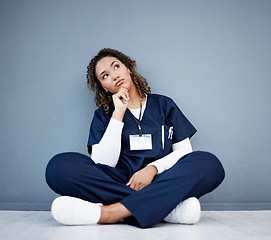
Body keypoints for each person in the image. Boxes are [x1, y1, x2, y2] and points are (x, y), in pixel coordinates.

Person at [45, 48, 225, 228]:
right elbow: (102, 163)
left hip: (163, 178)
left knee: (208, 163)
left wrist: (153, 168)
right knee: (58, 166)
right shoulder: (103, 115)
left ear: (128, 69)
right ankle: (167, 209)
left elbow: (185, 151)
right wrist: (118, 113)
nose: (114, 75)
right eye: (105, 76)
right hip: (119, 181)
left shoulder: (164, 105)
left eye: (116, 67)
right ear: (103, 87)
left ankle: (111, 212)